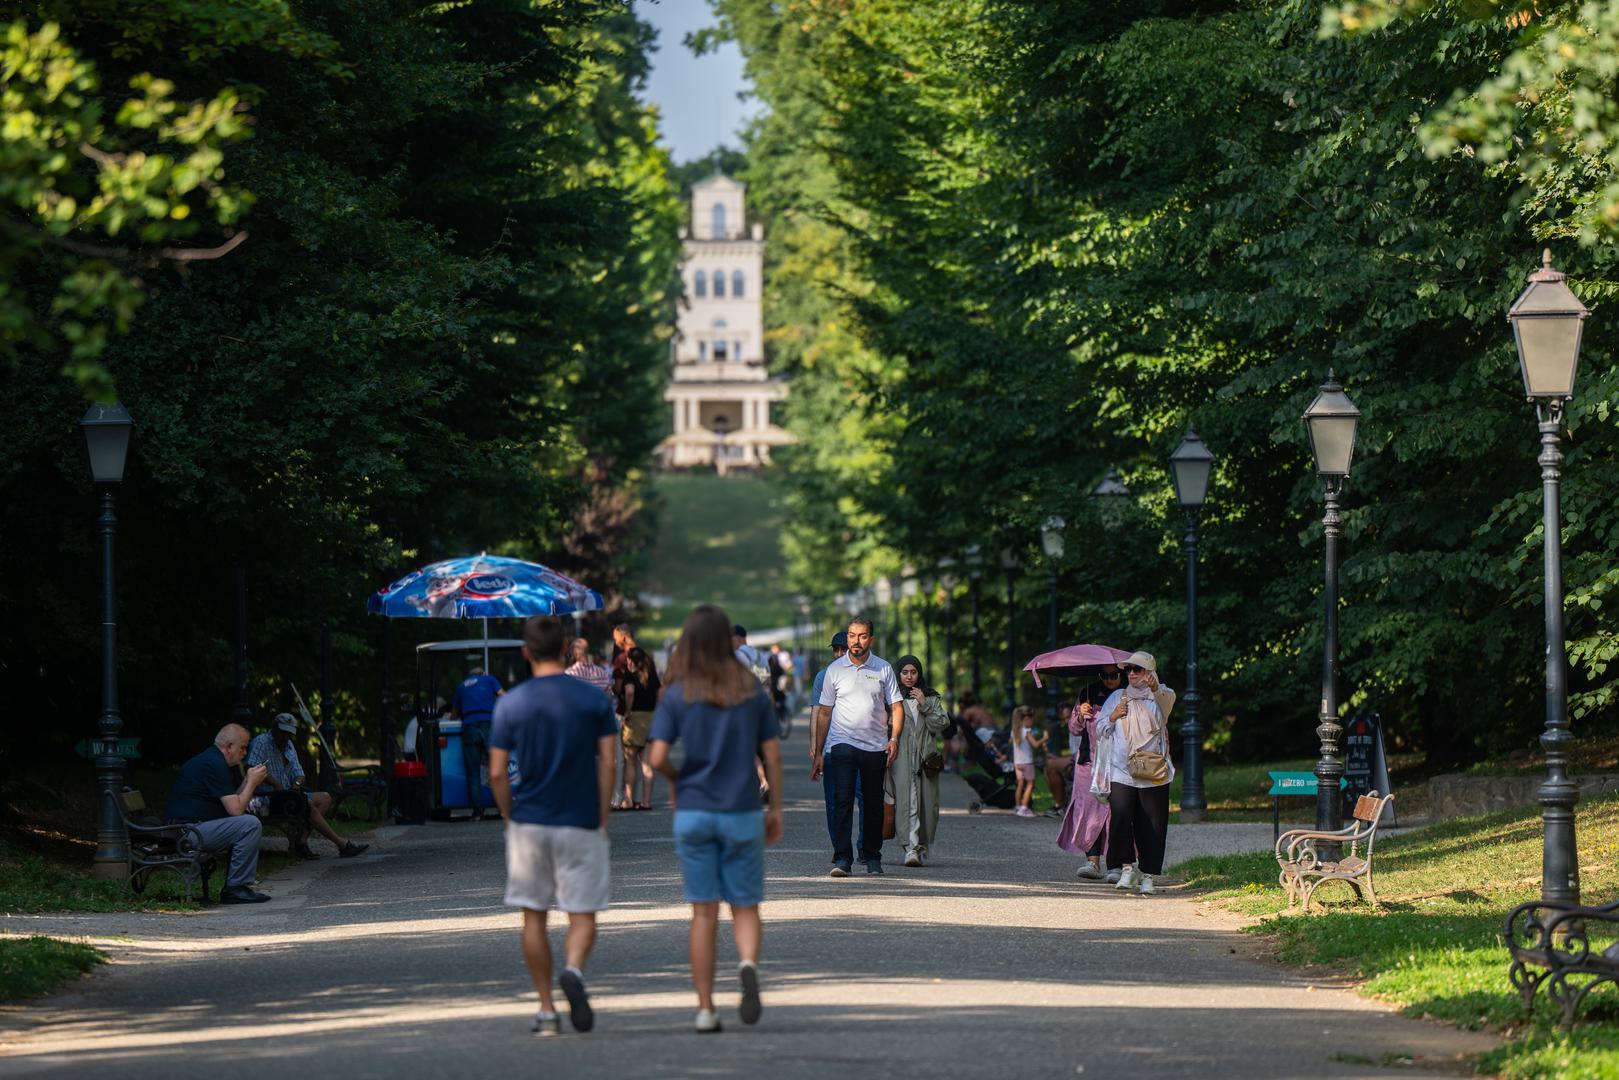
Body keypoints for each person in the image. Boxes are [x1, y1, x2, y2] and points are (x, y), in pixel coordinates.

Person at [647, 604, 784, 1033]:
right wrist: (776, 805)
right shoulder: (748, 688)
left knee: (703, 914)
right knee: (745, 905)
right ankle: (746, 964)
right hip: (741, 809)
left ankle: (705, 1009)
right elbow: (773, 755)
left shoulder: (677, 692)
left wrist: (679, 777)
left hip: (694, 810)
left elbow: (655, 757)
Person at [488, 615, 619, 1037]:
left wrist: (510, 816)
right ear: (566, 649)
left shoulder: (510, 703)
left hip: (530, 821)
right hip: (580, 818)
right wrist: (601, 815)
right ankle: (575, 970)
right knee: (583, 915)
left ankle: (546, 1010)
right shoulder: (592, 701)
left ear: (525, 652)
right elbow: (609, 762)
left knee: (534, 918)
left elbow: (495, 774)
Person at [811, 616, 903, 876]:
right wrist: (818, 751)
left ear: (870, 639)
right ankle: (842, 859)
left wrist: (893, 738)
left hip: (875, 747)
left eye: (862, 636)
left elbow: (896, 707)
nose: (856, 641)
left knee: (873, 804)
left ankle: (873, 858)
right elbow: (824, 712)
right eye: (852, 635)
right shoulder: (835, 670)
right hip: (842, 744)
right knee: (841, 801)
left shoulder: (883, 669)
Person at [1094, 651, 1177, 895]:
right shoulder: (1117, 697)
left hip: (1153, 772)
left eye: (1137, 670)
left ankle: (1148, 875)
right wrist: (1112, 716)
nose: (1131, 674)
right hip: (1122, 771)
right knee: (1120, 819)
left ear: (1149, 673)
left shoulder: (1162, 696)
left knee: (1153, 825)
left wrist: (1156, 689)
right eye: (1128, 670)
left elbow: (1166, 704)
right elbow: (1100, 729)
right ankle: (1127, 867)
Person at [164, 724, 272, 904]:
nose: (245, 753)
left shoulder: (213, 760)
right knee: (249, 824)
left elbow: (234, 802)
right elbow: (236, 810)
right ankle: (236, 888)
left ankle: (237, 886)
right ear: (229, 746)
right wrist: (252, 784)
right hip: (189, 832)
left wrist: (246, 780)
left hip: (190, 828)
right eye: (243, 747)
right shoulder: (214, 764)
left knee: (247, 822)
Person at [247, 713, 369, 859]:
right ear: (274, 727)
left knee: (325, 798)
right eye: (283, 732)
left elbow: (300, 774)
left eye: (289, 733)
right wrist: (276, 784)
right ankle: (342, 844)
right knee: (308, 804)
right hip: (266, 799)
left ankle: (301, 842)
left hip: (287, 796)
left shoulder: (289, 745)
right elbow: (251, 768)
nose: (286, 737)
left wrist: (296, 785)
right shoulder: (262, 742)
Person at [1056, 666, 1121, 880]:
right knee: (1088, 811)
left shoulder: (1128, 694)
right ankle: (1092, 863)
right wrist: (1080, 717)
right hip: (1089, 761)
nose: (1109, 680)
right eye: (1105, 676)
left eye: (1114, 675)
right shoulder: (1088, 693)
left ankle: (1117, 865)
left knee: (1117, 812)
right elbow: (1074, 729)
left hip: (1116, 761)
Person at [890, 655, 951, 867]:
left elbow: (941, 724)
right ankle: (910, 848)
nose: (909, 677)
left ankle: (920, 843)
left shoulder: (931, 697)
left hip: (926, 760)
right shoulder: (892, 696)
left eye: (913, 672)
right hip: (901, 759)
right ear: (898, 674)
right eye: (905, 672)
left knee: (928, 805)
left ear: (919, 674)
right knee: (907, 802)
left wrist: (924, 704)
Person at [810, 631, 863, 844]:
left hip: (863, 746)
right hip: (832, 746)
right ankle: (839, 846)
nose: (839, 653)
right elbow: (817, 711)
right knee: (834, 800)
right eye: (836, 650)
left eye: (843, 649)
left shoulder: (865, 672)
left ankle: (863, 846)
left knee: (865, 798)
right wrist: (815, 746)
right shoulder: (823, 676)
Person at [452, 665, 503, 820]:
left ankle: (477, 812)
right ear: (482, 673)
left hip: (469, 727)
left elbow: (454, 714)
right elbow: (503, 695)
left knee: (473, 772)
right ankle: (503, 808)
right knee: (496, 767)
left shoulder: (461, 686)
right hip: (488, 724)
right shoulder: (489, 679)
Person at [618, 646, 662, 810]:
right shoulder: (652, 675)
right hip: (650, 718)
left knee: (630, 762)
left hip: (635, 718)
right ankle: (646, 801)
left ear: (630, 660)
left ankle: (629, 800)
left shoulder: (631, 675)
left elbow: (629, 691)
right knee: (646, 763)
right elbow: (661, 692)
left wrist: (628, 711)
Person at [1010, 706, 1046, 817]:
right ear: (1024, 719)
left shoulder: (1014, 731)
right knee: (1030, 784)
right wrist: (1045, 738)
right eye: (1030, 719)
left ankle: (1017, 806)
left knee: (1020, 785)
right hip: (1027, 762)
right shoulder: (1027, 731)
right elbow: (1035, 745)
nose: (1032, 721)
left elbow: (1010, 741)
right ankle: (1024, 808)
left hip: (1017, 763)